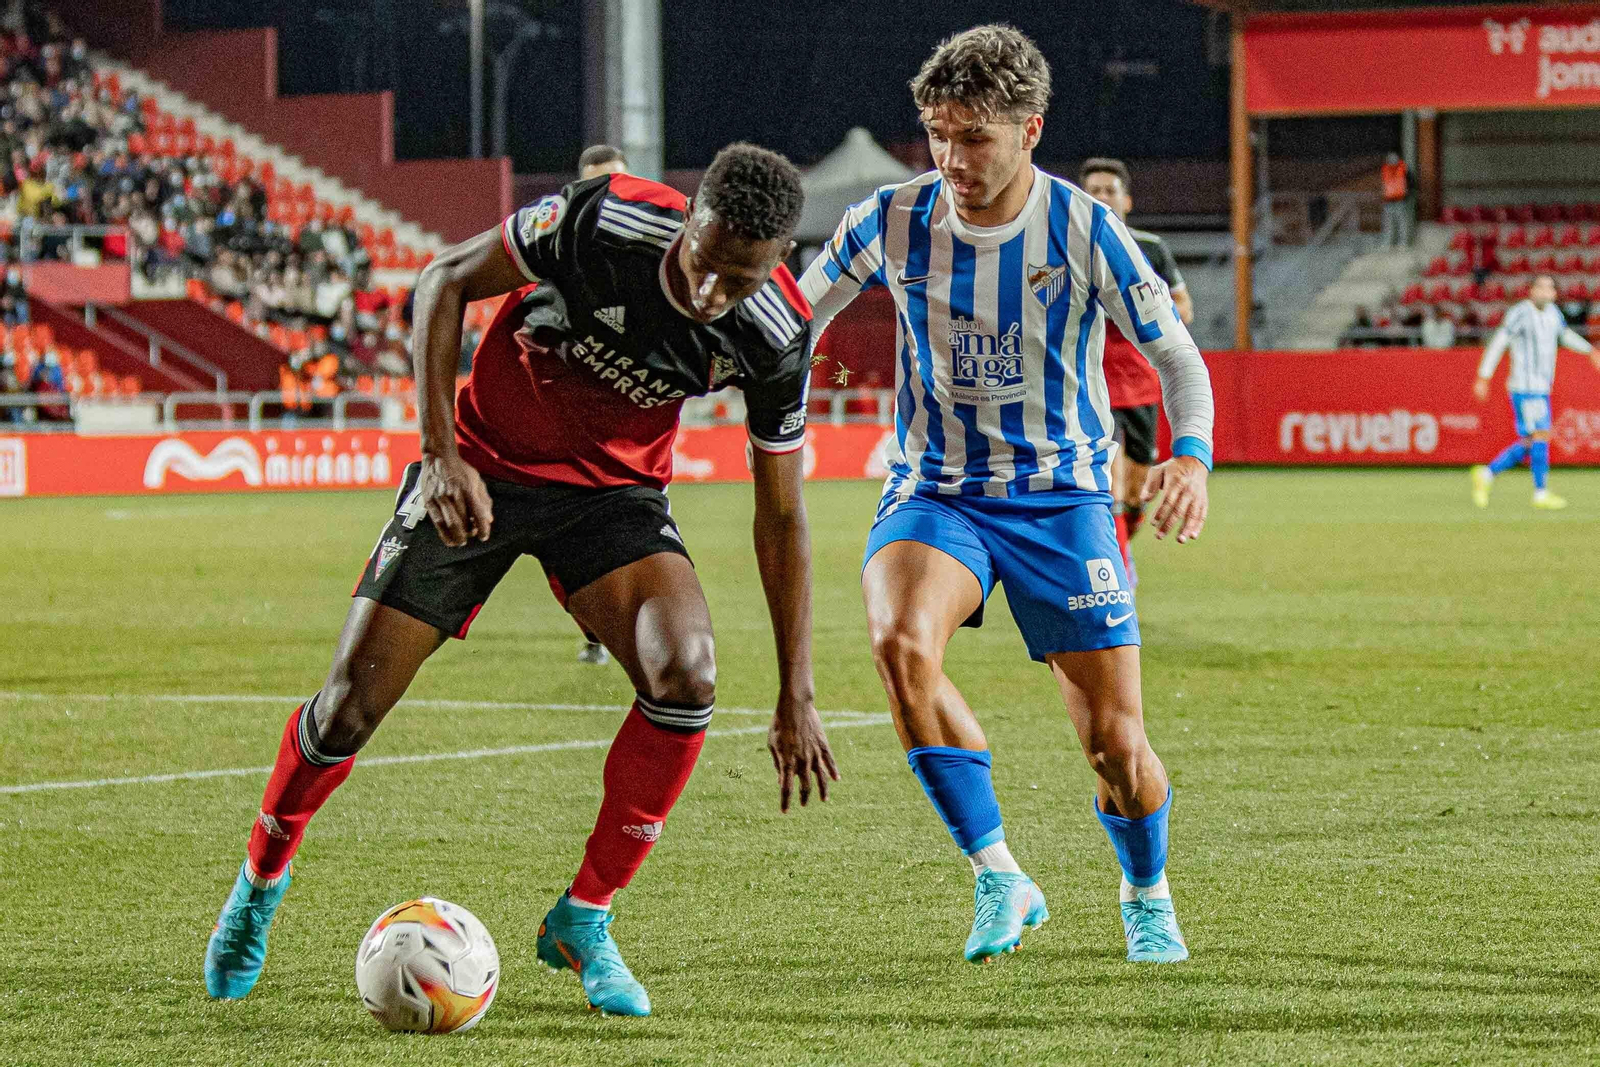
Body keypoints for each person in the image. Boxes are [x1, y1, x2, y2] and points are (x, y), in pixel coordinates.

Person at [204, 143, 840, 1017]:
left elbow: (782, 513)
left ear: (778, 261)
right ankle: (259, 883)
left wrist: (796, 690)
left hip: (610, 499)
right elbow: (444, 280)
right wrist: (440, 454)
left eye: (740, 279)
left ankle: (586, 916)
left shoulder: (774, 331)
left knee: (688, 672)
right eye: (705, 261)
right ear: (690, 217)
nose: (710, 294)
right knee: (348, 704)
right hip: (481, 466)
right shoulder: (605, 218)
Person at [801, 25, 1213, 966]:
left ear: (1031, 130)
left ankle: (1145, 890)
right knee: (901, 645)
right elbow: (794, 314)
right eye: (938, 134)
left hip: (1063, 498)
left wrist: (1189, 458)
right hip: (937, 488)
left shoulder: (1085, 228)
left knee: (1115, 745)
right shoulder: (889, 218)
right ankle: (999, 875)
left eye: (974, 137)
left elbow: (1177, 357)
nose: (952, 158)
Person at [1078, 158, 1194, 582]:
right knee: (1107, 484)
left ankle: (1126, 535)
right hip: (1090, 383)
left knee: (1134, 492)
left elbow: (1184, 308)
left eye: (1109, 190)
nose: (1101, 197)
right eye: (1093, 190)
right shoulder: (1069, 247)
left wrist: (1136, 314)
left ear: (1126, 200)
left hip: (1141, 383)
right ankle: (1119, 572)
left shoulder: (1150, 248)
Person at [568, 143, 631, 664]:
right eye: (597, 187)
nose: (610, 196)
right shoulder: (558, 254)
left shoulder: (662, 250)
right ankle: (595, 628)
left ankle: (619, 632)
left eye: (618, 183)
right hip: (569, 428)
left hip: (634, 432)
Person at [1471, 273, 1598, 510]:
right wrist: (1484, 375)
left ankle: (1487, 474)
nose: (1544, 291)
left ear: (1554, 294)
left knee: (1531, 441)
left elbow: (1565, 335)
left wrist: (1589, 350)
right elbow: (1499, 341)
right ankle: (1540, 493)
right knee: (1541, 435)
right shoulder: (1520, 313)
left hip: (1541, 387)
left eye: (1548, 288)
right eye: (1539, 287)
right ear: (1531, 291)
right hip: (1525, 386)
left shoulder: (1553, 314)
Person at [1380, 152, 1411, 248]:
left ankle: (1403, 243)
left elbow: (1410, 183)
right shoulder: (1385, 170)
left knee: (1402, 223)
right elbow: (1384, 184)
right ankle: (1387, 242)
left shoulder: (1404, 169)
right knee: (1388, 224)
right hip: (1388, 201)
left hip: (1400, 200)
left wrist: (1407, 194)